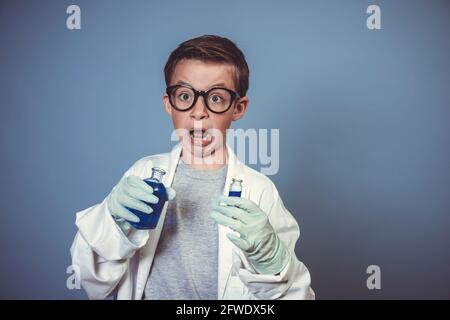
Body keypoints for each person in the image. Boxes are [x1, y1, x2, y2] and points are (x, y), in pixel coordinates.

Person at [70, 35, 315, 300]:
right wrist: (113, 222)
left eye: (217, 98)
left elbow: (297, 296)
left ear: (238, 108)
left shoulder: (259, 191)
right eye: (185, 95)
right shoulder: (143, 173)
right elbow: (89, 276)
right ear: (168, 103)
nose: (199, 112)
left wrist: (272, 262)